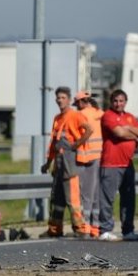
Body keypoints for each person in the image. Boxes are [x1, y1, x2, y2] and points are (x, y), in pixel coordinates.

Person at [40, 86, 92, 238]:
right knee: (57, 199)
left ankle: (81, 229)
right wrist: (48, 163)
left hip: (70, 162)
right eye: (58, 97)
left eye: (63, 97)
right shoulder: (57, 118)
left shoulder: (75, 115)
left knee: (73, 198)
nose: (60, 100)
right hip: (59, 162)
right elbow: (53, 143)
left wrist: (77, 144)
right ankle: (55, 229)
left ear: (69, 100)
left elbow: (89, 129)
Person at [97, 89, 138, 241]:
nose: (118, 104)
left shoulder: (129, 117)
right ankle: (105, 230)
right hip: (111, 164)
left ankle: (128, 230)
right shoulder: (108, 116)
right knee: (107, 198)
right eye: (116, 101)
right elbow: (119, 133)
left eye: (121, 101)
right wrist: (135, 138)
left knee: (128, 198)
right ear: (111, 102)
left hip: (127, 164)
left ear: (125, 102)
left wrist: (129, 128)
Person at [73, 90, 104, 238]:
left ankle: (85, 226)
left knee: (86, 194)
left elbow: (86, 132)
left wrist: (75, 145)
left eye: (77, 103)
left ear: (81, 102)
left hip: (86, 157)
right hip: (99, 155)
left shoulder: (80, 115)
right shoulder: (99, 112)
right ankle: (95, 227)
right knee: (96, 193)